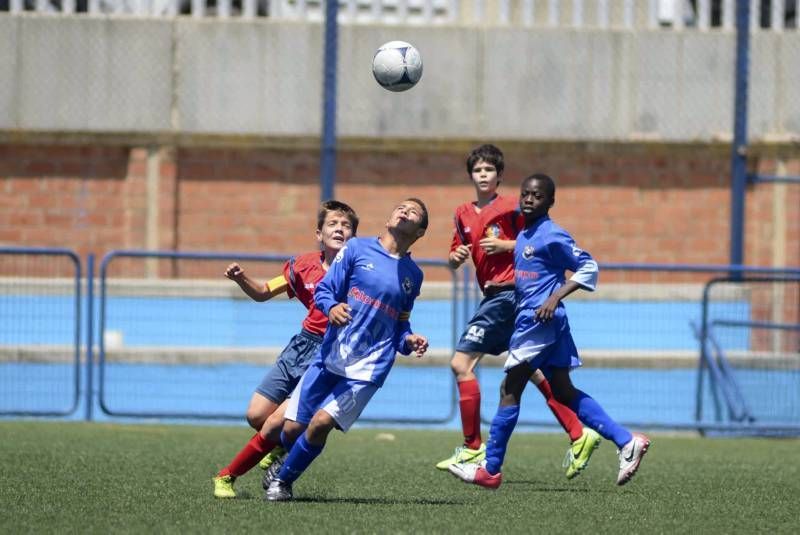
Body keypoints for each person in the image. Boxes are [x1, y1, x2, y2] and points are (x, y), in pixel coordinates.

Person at [448, 173, 650, 489]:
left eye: (538, 195)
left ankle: (491, 469)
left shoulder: (551, 235)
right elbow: (533, 275)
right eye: (526, 194)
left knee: (510, 388)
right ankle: (626, 441)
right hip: (540, 321)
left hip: (539, 321)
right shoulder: (527, 234)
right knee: (563, 390)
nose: (529, 199)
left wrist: (555, 296)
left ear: (550, 202)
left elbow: (588, 266)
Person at [437, 144, 600, 479]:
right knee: (528, 368)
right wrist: (454, 259)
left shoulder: (513, 206)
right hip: (495, 296)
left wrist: (505, 246)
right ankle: (578, 433)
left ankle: (472, 448)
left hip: (511, 294)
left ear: (499, 176)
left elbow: (535, 241)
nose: (483, 176)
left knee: (461, 363)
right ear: (471, 175)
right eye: (478, 171)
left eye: (489, 170)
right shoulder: (462, 213)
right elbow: (456, 252)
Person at [264, 198, 430, 501]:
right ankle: (285, 462)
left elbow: (400, 326)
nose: (405, 210)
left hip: (369, 366)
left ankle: (283, 481)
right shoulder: (356, 249)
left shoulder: (413, 276)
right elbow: (326, 291)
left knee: (321, 424)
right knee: (291, 430)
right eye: (401, 206)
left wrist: (409, 341)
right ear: (389, 217)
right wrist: (331, 308)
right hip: (331, 355)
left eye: (414, 212)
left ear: (419, 232)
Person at [212, 200, 359, 499]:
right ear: (319, 233)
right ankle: (280, 445)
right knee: (256, 416)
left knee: (277, 422)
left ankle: (226, 477)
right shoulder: (302, 265)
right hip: (300, 346)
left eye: (346, 226)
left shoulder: (360, 274)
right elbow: (264, 292)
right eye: (333, 224)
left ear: (354, 236)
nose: (340, 229)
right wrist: (242, 279)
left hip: (327, 356)